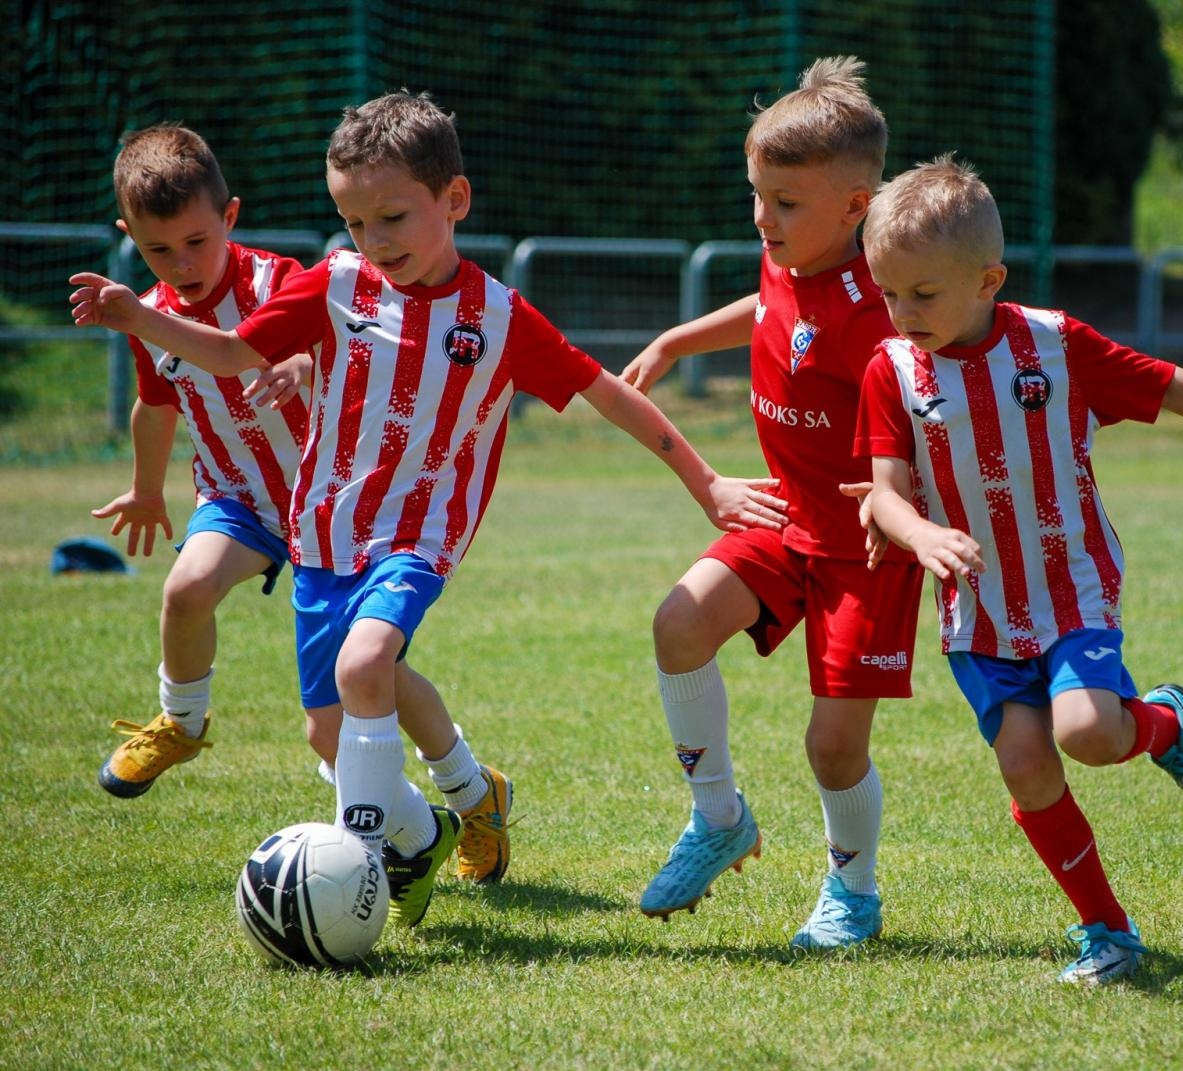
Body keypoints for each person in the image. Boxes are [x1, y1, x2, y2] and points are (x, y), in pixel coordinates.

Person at [71, 91, 787, 930]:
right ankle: (454, 811)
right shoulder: (336, 284)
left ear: (454, 200)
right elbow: (231, 351)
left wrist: (708, 484)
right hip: (324, 532)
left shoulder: (498, 317)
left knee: (367, 661)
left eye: (392, 218)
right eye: (355, 221)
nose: (375, 241)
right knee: (327, 732)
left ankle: (361, 865)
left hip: (417, 536)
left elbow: (607, 394)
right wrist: (135, 317)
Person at [855, 156, 1183, 984]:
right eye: (890, 294)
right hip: (976, 613)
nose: (904, 314)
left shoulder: (1052, 346)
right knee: (1025, 762)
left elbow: (1171, 386)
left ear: (988, 280)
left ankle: (1167, 726)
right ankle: (1108, 930)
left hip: (1069, 588)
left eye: (924, 295)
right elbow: (884, 493)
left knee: (1087, 732)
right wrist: (920, 535)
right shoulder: (891, 372)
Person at [88, 125, 517, 905]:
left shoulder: (281, 279)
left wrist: (294, 363)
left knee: (366, 682)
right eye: (159, 251)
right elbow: (156, 408)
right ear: (130, 242)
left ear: (231, 218)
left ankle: (468, 791)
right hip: (242, 500)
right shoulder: (148, 316)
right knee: (185, 591)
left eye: (196, 242)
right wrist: (149, 490)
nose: (182, 266)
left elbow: (340, 341)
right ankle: (183, 722)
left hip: (340, 506)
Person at [620, 57, 923, 950]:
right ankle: (718, 818)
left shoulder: (889, 312)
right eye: (757, 194)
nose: (763, 217)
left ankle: (854, 895)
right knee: (678, 624)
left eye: (785, 203)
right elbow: (771, 304)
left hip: (867, 544)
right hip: (785, 514)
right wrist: (679, 338)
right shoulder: (788, 252)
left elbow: (936, 398)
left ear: (856, 207)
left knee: (831, 746)